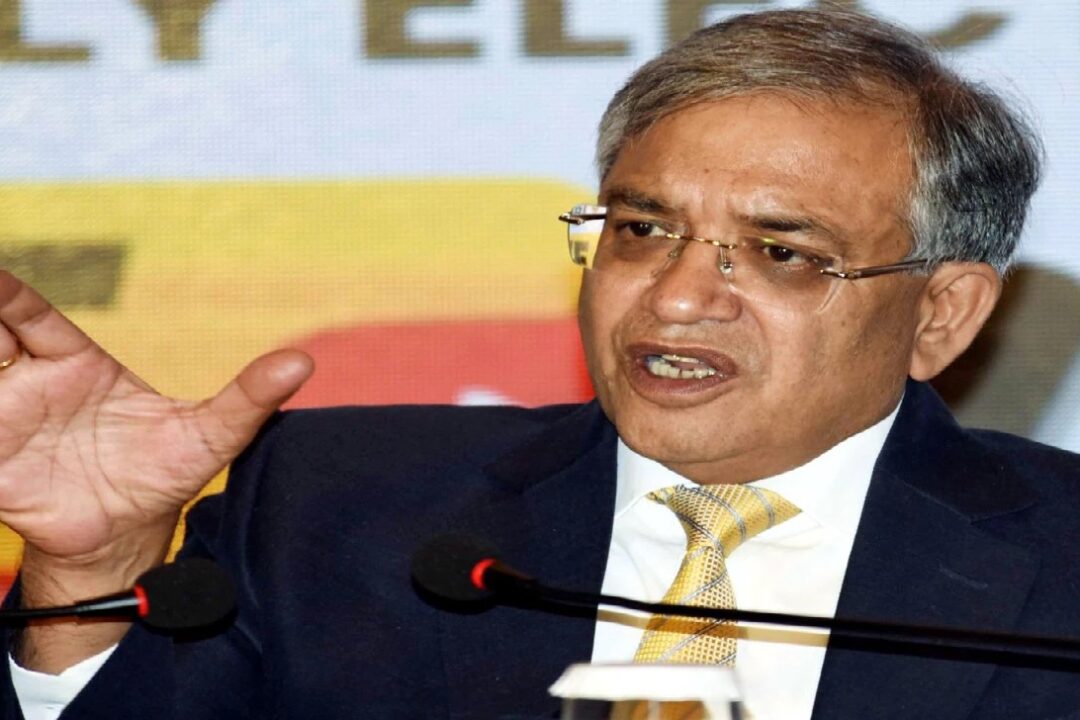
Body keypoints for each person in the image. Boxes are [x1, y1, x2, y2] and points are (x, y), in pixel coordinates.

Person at [2, 7, 1078, 719]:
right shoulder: (338, 511)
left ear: (941, 315)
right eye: (641, 231)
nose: (678, 297)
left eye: (781, 253)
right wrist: (88, 579)